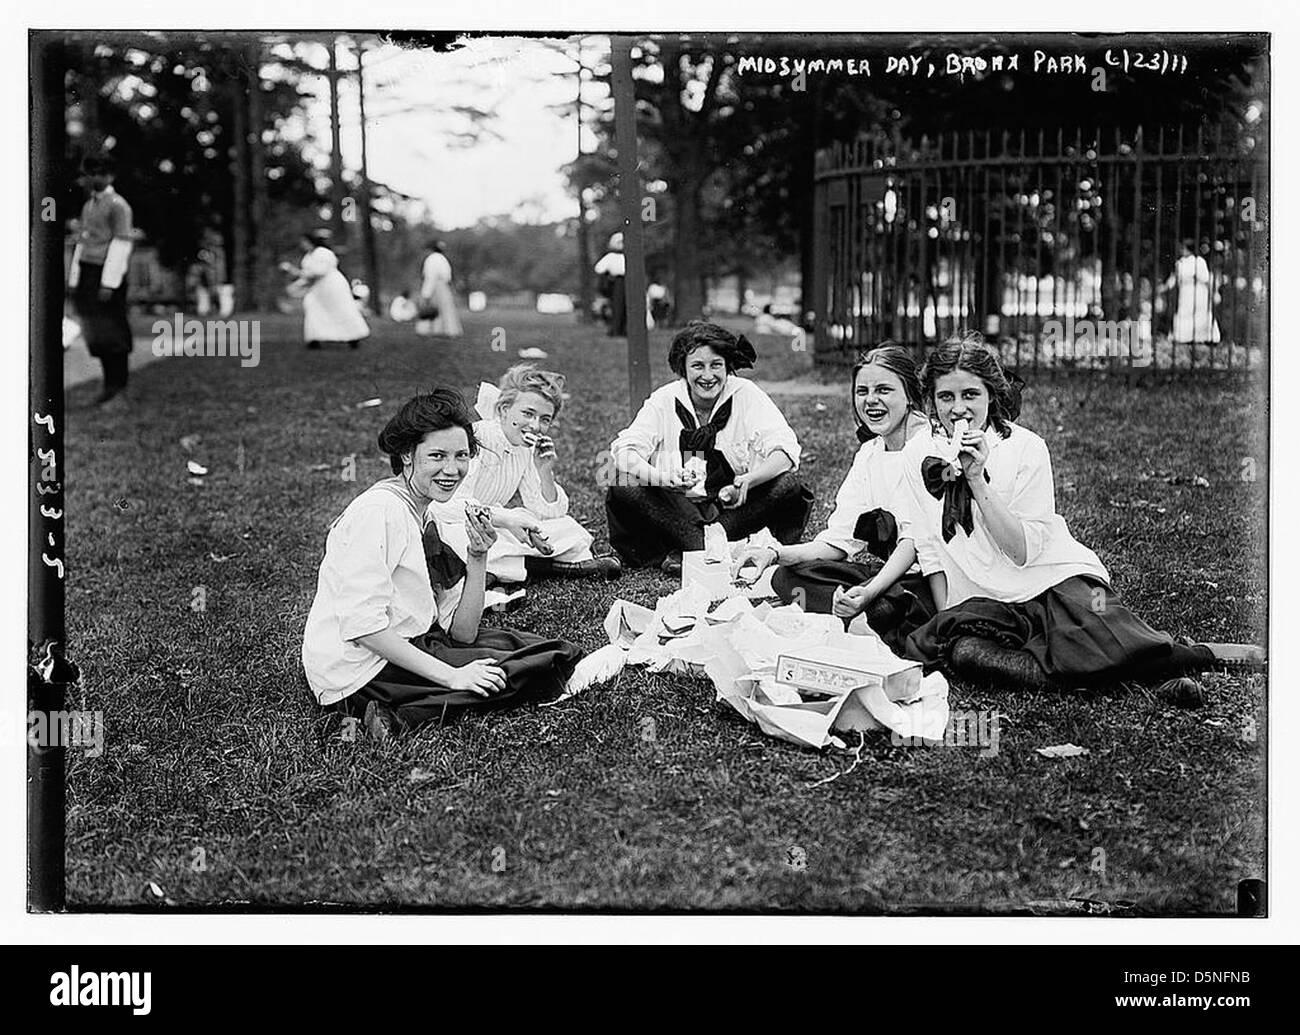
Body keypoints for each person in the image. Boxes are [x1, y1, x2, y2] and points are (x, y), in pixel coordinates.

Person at [894, 332, 1263, 698]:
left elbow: (1022, 552)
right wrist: (949, 616)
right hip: (983, 599)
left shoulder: (1026, 448)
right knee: (967, 653)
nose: (958, 408)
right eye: (946, 396)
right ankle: (1122, 681)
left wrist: (977, 480)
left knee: (1101, 637)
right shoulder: (918, 454)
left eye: (970, 394)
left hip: (1048, 581)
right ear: (932, 401)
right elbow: (929, 548)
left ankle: (1195, 655)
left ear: (992, 394)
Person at [302, 388, 584, 740]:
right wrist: (452, 676)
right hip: (361, 670)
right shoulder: (378, 512)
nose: (452, 470)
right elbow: (363, 627)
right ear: (407, 455)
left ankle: (419, 701)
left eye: (461, 456)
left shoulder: (430, 511)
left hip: (416, 640)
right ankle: (405, 715)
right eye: (437, 456)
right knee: (537, 668)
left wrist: (478, 557)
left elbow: (462, 633)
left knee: (547, 651)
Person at [730, 345, 936, 654]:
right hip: (889, 580)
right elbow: (840, 540)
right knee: (786, 578)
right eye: (862, 391)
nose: (871, 401)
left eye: (884, 390)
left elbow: (915, 543)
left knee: (885, 604)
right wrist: (773, 554)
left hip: (931, 581)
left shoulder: (928, 447)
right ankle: (860, 614)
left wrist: (868, 591)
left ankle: (870, 614)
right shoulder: (870, 453)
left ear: (909, 394)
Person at [605, 320, 815, 575]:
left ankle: (690, 550)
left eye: (716, 365)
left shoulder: (747, 394)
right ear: (683, 368)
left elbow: (785, 450)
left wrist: (748, 480)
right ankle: (708, 547)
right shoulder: (664, 399)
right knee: (622, 482)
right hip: (676, 510)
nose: (707, 376)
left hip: (733, 513)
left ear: (728, 366)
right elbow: (625, 452)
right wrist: (661, 479)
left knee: (788, 484)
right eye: (697, 366)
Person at [431, 365, 621, 583]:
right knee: (462, 538)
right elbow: (445, 507)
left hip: (493, 524)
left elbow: (547, 513)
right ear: (503, 410)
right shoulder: (475, 439)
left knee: (568, 528)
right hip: (454, 522)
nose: (535, 425)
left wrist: (544, 470)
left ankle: (502, 572)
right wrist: (508, 518)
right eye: (528, 414)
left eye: (545, 419)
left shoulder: (526, 449)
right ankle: (553, 568)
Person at [67, 154, 135, 405]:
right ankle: (108, 386)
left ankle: (120, 388)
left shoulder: (118, 205)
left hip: (107, 273)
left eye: (99, 173)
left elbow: (121, 244)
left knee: (113, 331)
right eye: (89, 173)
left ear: (109, 176)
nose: (93, 178)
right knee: (96, 332)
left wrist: (109, 282)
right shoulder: (88, 206)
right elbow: (83, 243)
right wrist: (75, 277)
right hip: (88, 272)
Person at [281, 229, 370, 349]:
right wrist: (298, 282)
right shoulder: (308, 256)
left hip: (332, 286)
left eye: (304, 242)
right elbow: (308, 274)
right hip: (318, 289)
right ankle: (314, 339)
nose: (302, 245)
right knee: (313, 307)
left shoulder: (323, 252)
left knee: (341, 310)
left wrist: (294, 271)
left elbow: (318, 272)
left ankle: (353, 337)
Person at [1166, 239, 1221, 345]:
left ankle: (1204, 338)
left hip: (1198, 292)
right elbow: (1175, 279)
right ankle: (1184, 338)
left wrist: (1214, 293)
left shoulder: (1199, 261)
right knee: (1184, 313)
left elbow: (1206, 280)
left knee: (1199, 314)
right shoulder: (1180, 262)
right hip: (1185, 292)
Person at [417, 240, 463, 338]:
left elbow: (430, 277)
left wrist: (426, 293)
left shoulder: (431, 259)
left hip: (435, 286)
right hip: (444, 286)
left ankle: (431, 330)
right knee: (446, 309)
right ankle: (450, 330)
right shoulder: (443, 258)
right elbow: (447, 276)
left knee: (433, 309)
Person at [594, 232, 627, 337]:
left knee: (625, 308)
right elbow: (599, 268)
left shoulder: (627, 256)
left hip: (626, 281)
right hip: (617, 283)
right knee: (617, 307)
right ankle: (616, 330)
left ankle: (623, 329)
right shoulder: (611, 256)